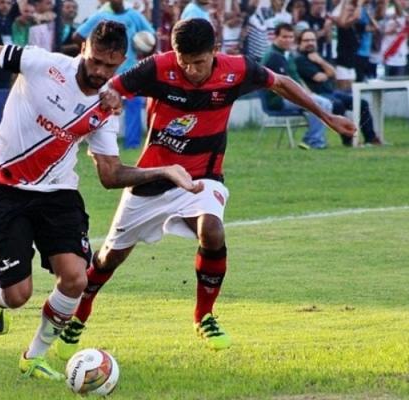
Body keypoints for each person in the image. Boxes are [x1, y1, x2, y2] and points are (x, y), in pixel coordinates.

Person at [0, 18, 202, 380]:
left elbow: (110, 176)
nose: (100, 71)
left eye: (110, 66)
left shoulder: (105, 108)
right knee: (17, 295)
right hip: (9, 190)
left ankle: (33, 356)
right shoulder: (41, 63)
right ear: (83, 49)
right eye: (96, 60)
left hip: (58, 195)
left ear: (122, 61)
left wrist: (164, 171)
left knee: (75, 279)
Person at [56, 18, 356, 360]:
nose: (191, 70)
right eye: (184, 62)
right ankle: (80, 315)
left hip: (202, 176)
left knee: (212, 230)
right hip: (152, 177)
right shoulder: (159, 67)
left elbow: (282, 83)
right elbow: (114, 87)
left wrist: (327, 117)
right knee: (110, 258)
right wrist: (111, 97)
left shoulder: (237, 70)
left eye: (198, 62)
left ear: (215, 52)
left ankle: (204, 316)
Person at [73, 0, 155, 149]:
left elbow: (152, 36)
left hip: (131, 71)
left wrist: (144, 46)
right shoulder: (101, 16)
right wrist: (94, 55)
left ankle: (132, 144)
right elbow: (77, 35)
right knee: (103, 106)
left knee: (134, 105)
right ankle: (97, 142)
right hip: (105, 74)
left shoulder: (134, 15)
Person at [295, 29, 381, 146]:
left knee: (362, 103)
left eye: (312, 40)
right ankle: (349, 140)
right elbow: (319, 77)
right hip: (318, 96)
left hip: (331, 92)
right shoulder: (300, 60)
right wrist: (326, 70)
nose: (310, 43)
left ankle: (371, 139)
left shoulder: (318, 57)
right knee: (338, 105)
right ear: (300, 43)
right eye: (306, 40)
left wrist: (320, 61)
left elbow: (334, 73)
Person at [261, 23, 333, 149]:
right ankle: (314, 141)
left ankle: (313, 139)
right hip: (278, 99)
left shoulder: (285, 55)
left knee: (324, 102)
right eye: (284, 37)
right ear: (275, 37)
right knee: (322, 104)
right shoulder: (274, 56)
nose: (288, 40)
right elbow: (283, 86)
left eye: (290, 37)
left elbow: (296, 80)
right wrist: (304, 97)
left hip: (291, 96)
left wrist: (308, 94)